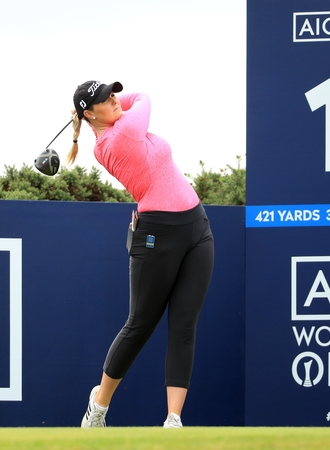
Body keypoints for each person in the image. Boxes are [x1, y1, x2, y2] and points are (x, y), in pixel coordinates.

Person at [69, 80, 215, 428]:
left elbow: (129, 101)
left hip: (197, 227)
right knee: (140, 326)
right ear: (90, 113)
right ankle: (98, 408)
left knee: (184, 326)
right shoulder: (118, 138)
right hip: (158, 234)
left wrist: (85, 113)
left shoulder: (118, 127)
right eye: (104, 99)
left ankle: (174, 419)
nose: (115, 99)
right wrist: (86, 115)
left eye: (113, 93)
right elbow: (144, 98)